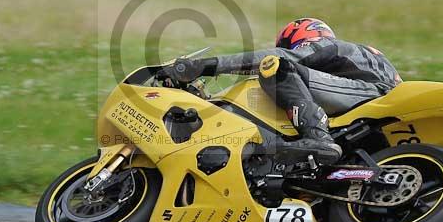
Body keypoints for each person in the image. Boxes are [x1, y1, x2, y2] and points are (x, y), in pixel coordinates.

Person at [160, 18, 402, 165]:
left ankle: (319, 139)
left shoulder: (327, 46)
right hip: (371, 106)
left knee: (275, 67)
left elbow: (277, 59)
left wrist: (204, 66)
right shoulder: (354, 57)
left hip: (371, 93)